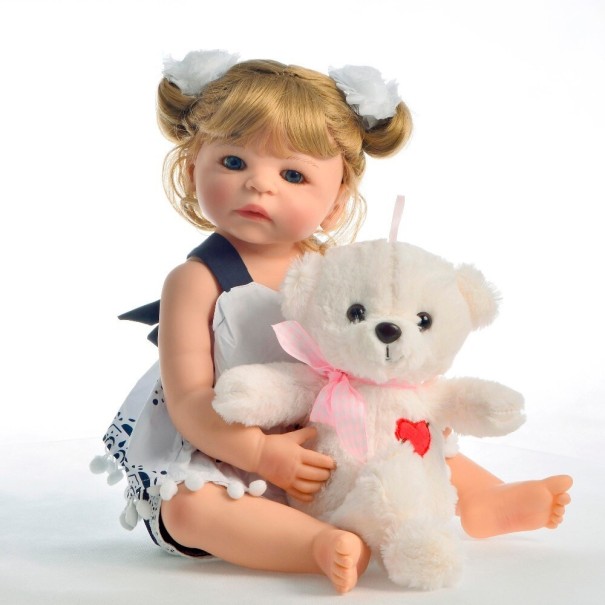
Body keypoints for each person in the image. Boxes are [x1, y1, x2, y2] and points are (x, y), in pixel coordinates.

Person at [94, 51, 572, 594]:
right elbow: (189, 401)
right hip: (231, 448)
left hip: (336, 438)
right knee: (188, 509)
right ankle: (315, 544)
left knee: (412, 435)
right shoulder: (196, 280)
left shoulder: (336, 273)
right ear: (190, 168)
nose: (259, 185)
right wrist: (259, 454)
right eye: (233, 162)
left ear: (337, 202)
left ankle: (481, 497)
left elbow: (383, 350)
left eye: (292, 174)